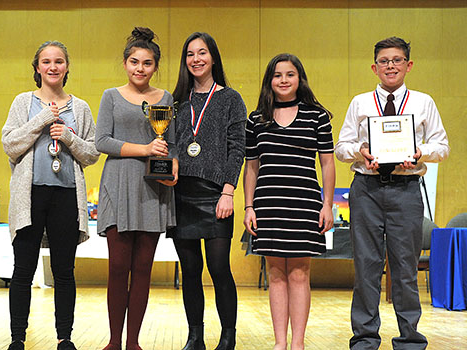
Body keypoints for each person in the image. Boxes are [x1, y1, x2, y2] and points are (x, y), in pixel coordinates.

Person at [335, 37, 449, 350]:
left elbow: (442, 147)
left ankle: (410, 339)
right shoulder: (360, 102)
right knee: (366, 267)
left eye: (397, 60)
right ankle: (365, 339)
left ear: (408, 65)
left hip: (406, 189)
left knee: (405, 269)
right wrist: (360, 150)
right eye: (384, 61)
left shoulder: (423, 102)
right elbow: (341, 147)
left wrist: (418, 151)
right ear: (374, 67)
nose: (391, 66)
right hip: (366, 189)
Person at [1, 41, 99, 350]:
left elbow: (93, 152)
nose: (52, 66)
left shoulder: (79, 107)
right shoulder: (22, 102)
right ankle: (18, 337)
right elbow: (10, 145)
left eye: (58, 61)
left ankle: (64, 337)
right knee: (23, 269)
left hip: (66, 194)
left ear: (67, 67)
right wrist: (41, 121)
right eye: (46, 61)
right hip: (29, 196)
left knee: (64, 271)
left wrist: (68, 137)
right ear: (37, 68)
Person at [243, 53, 335, 350]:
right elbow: (252, 167)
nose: (283, 80)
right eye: (277, 75)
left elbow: (328, 164)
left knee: (299, 272)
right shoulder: (256, 119)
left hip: (304, 204)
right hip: (268, 204)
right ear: (269, 80)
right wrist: (248, 207)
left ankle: (298, 343)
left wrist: (327, 204)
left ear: (300, 79)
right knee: (275, 273)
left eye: (290, 74)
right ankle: (280, 343)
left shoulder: (317, 116)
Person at [95, 27, 177, 350]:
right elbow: (102, 141)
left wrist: (172, 167)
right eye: (133, 62)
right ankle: (113, 341)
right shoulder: (110, 96)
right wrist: (144, 149)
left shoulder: (166, 99)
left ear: (155, 66)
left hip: (152, 190)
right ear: (125, 63)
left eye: (146, 63)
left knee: (143, 269)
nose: (139, 68)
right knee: (117, 267)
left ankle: (133, 342)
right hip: (117, 185)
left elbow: (170, 145)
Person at [167, 32, 246, 350]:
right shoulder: (176, 101)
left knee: (218, 268)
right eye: (190, 54)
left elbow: (237, 147)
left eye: (202, 53)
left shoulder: (230, 99)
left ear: (213, 57)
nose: (196, 59)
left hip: (216, 195)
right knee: (189, 270)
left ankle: (228, 337)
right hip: (180, 193)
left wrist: (228, 191)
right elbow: (169, 144)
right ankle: (195, 336)